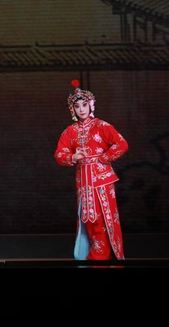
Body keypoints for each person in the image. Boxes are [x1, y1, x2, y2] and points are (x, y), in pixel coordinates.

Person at [54, 79, 128, 261]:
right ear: (73, 110)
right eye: (77, 106)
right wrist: (73, 157)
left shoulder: (102, 126)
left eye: (84, 105)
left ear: (91, 105)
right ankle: (94, 255)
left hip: (102, 181)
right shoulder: (70, 131)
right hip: (83, 181)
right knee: (88, 219)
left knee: (104, 219)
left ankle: (103, 256)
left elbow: (121, 144)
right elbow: (59, 154)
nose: (81, 109)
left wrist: (105, 157)